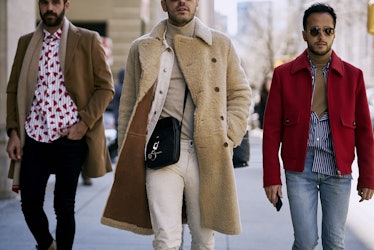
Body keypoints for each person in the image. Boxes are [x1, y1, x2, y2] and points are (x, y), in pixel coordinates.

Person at [101, 0, 251, 249]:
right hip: (161, 153)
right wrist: (131, 150)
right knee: (166, 239)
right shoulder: (143, 47)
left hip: (207, 154)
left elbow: (240, 93)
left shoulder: (220, 44)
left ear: (198, 3)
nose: (182, 2)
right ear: (163, 4)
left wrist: (228, 135)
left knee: (203, 240)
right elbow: (128, 105)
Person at [262, 3, 374, 249]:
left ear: (334, 33)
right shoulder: (284, 75)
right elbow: (271, 131)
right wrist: (271, 177)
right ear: (304, 34)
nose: (321, 36)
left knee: (334, 242)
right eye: (314, 31)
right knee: (305, 242)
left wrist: (368, 176)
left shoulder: (353, 76)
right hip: (300, 170)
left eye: (327, 30)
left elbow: (365, 132)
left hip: (338, 171)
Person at [5, 0, 114, 249]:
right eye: (44, 3)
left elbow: (105, 87)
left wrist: (84, 123)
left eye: (56, 2)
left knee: (64, 206)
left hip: (70, 137)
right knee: (30, 204)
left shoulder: (87, 39)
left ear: (67, 5)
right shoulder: (26, 43)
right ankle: (48, 244)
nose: (49, 8)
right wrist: (13, 131)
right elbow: (13, 90)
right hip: (34, 136)